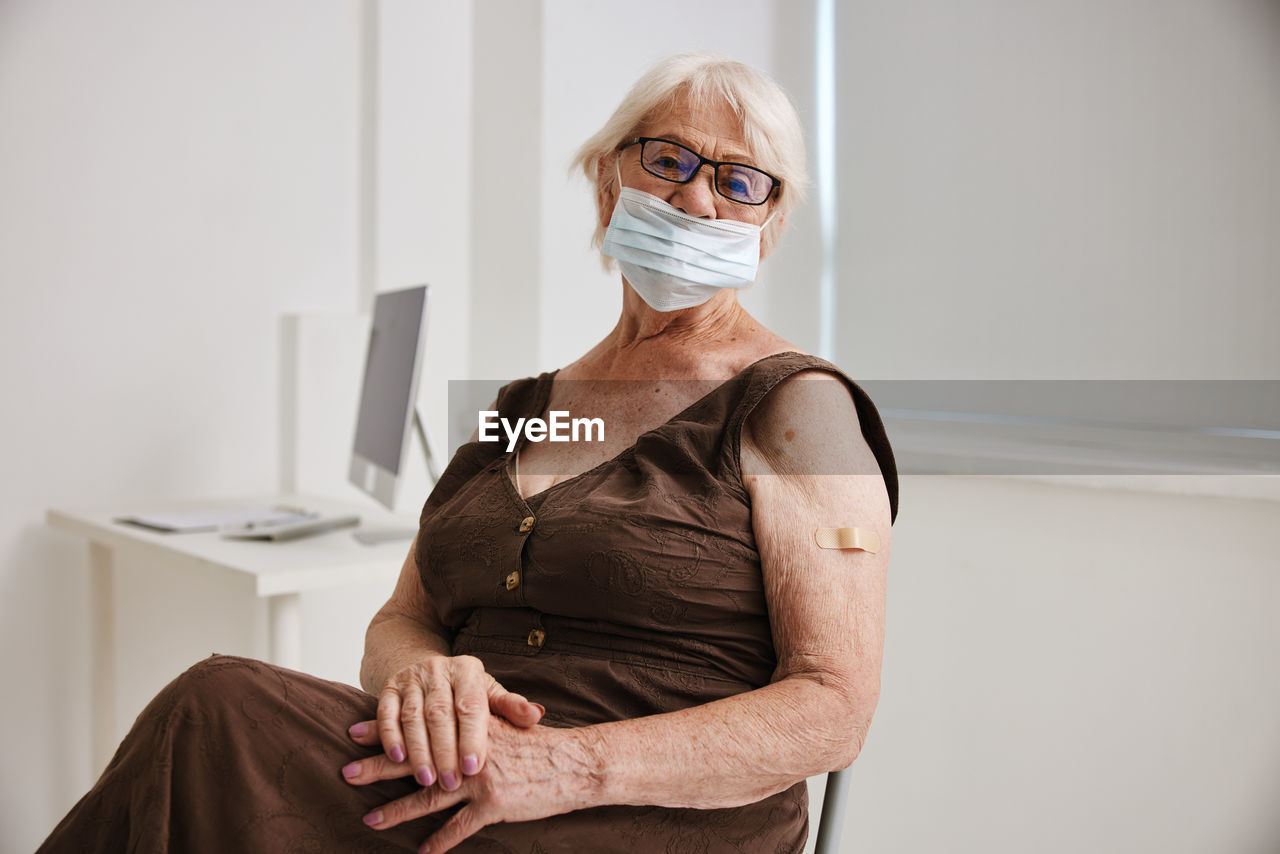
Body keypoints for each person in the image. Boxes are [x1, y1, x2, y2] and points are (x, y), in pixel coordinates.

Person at [38, 52, 899, 854]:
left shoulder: (799, 409)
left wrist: (563, 766)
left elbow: (833, 708)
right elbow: (401, 618)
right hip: (458, 776)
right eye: (669, 160)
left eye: (740, 182)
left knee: (213, 715)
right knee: (216, 714)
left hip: (641, 814)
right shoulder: (526, 408)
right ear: (608, 180)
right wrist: (422, 677)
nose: (698, 201)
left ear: (769, 225)